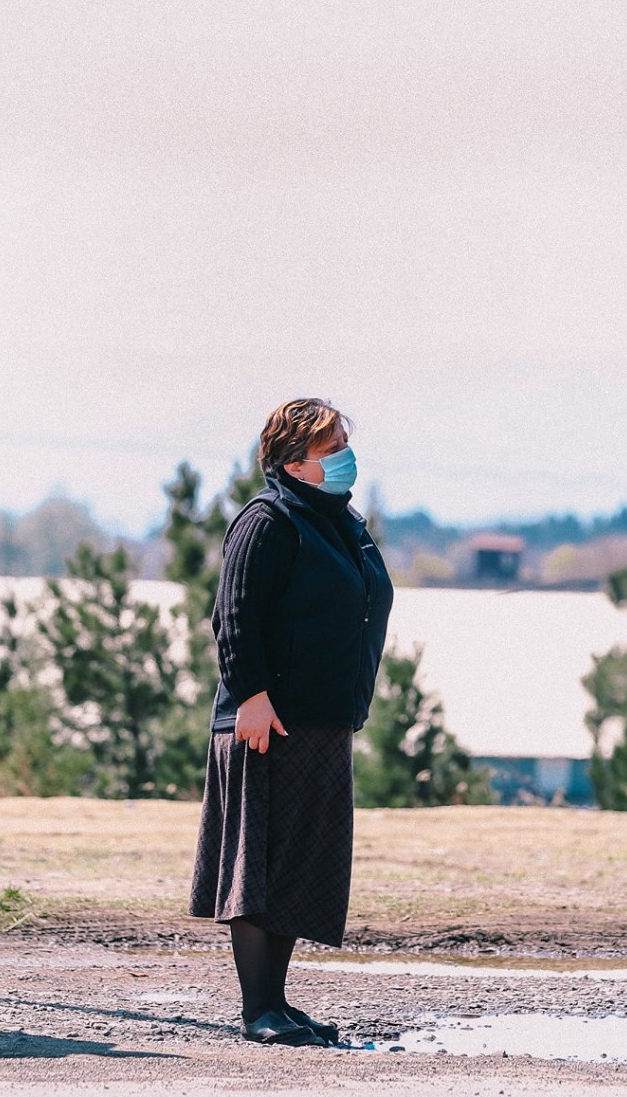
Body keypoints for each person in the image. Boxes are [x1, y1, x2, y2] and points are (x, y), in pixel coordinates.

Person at [190, 398, 393, 1047]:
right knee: (262, 863)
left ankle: (277, 1000)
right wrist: (250, 693)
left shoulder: (338, 521)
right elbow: (235, 613)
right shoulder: (267, 520)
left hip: (323, 718)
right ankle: (258, 1011)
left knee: (297, 864)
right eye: (331, 446)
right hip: (266, 719)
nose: (344, 457)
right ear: (294, 460)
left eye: (343, 444)